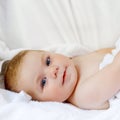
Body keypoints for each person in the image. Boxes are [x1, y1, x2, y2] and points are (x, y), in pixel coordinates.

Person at [1, 40, 120, 110]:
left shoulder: (76, 60)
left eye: (48, 61)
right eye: (43, 82)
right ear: (44, 102)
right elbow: (116, 72)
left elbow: (108, 52)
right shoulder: (83, 94)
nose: (53, 71)